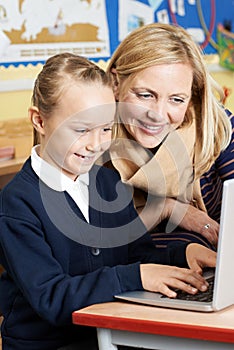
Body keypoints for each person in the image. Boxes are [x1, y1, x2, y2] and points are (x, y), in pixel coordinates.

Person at [0, 53, 216, 350]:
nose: (96, 144)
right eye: (81, 130)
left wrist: (183, 254)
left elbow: (137, 258)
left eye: (105, 129)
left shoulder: (107, 183)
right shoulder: (17, 204)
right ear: (39, 120)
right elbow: (51, 298)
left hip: (109, 335)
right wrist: (135, 276)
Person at [105, 23, 234, 250]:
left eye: (177, 99)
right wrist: (167, 209)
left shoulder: (217, 126)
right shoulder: (92, 141)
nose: (157, 115)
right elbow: (100, 242)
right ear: (116, 83)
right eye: (145, 95)